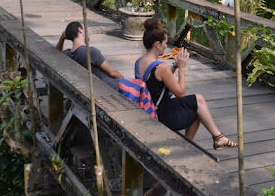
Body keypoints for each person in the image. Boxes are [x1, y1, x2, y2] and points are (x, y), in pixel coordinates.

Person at [136, 18, 237, 150]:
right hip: (162, 114)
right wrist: (182, 69)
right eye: (165, 43)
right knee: (197, 112)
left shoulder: (140, 62)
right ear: (157, 45)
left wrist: (174, 66)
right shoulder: (161, 67)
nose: (166, 46)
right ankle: (187, 146)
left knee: (198, 99)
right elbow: (180, 93)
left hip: (149, 107)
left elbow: (156, 82)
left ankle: (218, 137)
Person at [56, 21, 124, 89]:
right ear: (80, 30)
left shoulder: (68, 55)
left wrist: (62, 37)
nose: (89, 33)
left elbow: (56, 53)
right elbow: (112, 72)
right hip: (110, 87)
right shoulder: (90, 52)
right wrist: (124, 80)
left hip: (91, 88)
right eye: (86, 29)